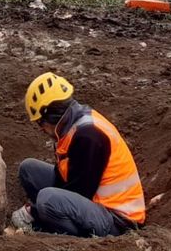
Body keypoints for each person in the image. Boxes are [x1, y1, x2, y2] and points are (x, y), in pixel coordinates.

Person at [11, 72, 146, 237]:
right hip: (93, 202)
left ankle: (65, 235)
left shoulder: (89, 135)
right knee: (28, 169)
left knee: (47, 199)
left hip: (118, 220)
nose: (41, 129)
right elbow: (67, 177)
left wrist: (34, 212)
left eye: (41, 122)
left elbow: (81, 191)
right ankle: (50, 219)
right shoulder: (71, 126)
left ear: (51, 115)